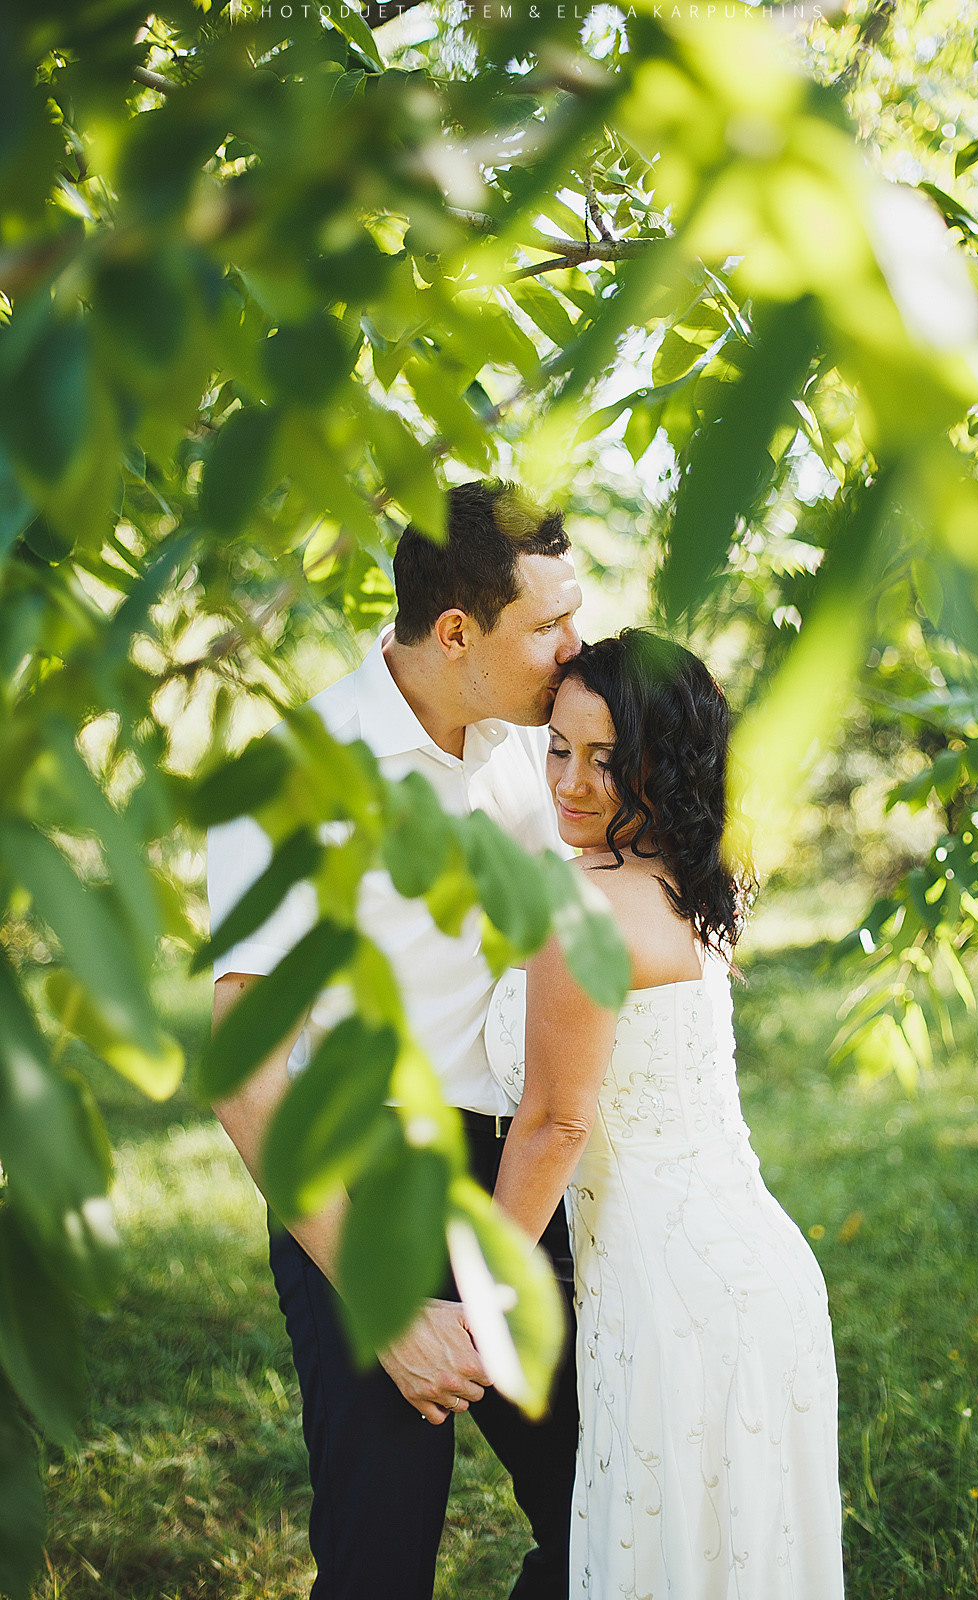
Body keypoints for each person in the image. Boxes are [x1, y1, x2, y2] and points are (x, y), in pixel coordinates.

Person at [206, 480, 584, 1600]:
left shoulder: (536, 750)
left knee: (604, 1519)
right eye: (548, 624)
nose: (576, 648)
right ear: (457, 632)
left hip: (515, 1179)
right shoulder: (296, 774)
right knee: (379, 1556)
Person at [486, 630, 845, 1600]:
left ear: (660, 761)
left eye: (605, 759)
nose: (569, 779)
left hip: (665, 1295)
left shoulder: (584, 912)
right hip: (759, 1278)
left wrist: (476, 1295)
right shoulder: (692, 879)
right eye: (557, 747)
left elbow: (556, 1122)